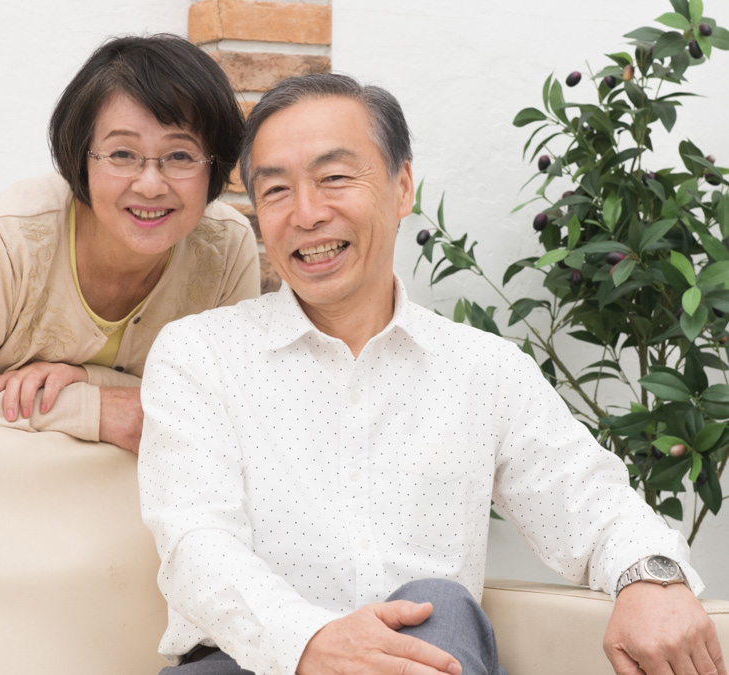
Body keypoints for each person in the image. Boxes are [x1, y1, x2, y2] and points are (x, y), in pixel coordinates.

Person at [138, 73, 726, 674]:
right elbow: (196, 547)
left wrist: (651, 577)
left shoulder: (484, 370)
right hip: (250, 665)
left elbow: (588, 500)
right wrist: (314, 644)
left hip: (430, 657)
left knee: (439, 606)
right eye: (276, 191)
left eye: (334, 178)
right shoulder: (199, 354)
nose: (307, 214)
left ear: (401, 187)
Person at [0, 34, 259, 452]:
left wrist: (91, 380)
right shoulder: (9, 237)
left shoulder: (225, 248)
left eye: (180, 156)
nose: (150, 185)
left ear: (215, 164)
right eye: (122, 154)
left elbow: (227, 406)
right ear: (81, 156)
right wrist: (93, 410)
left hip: (71, 486)